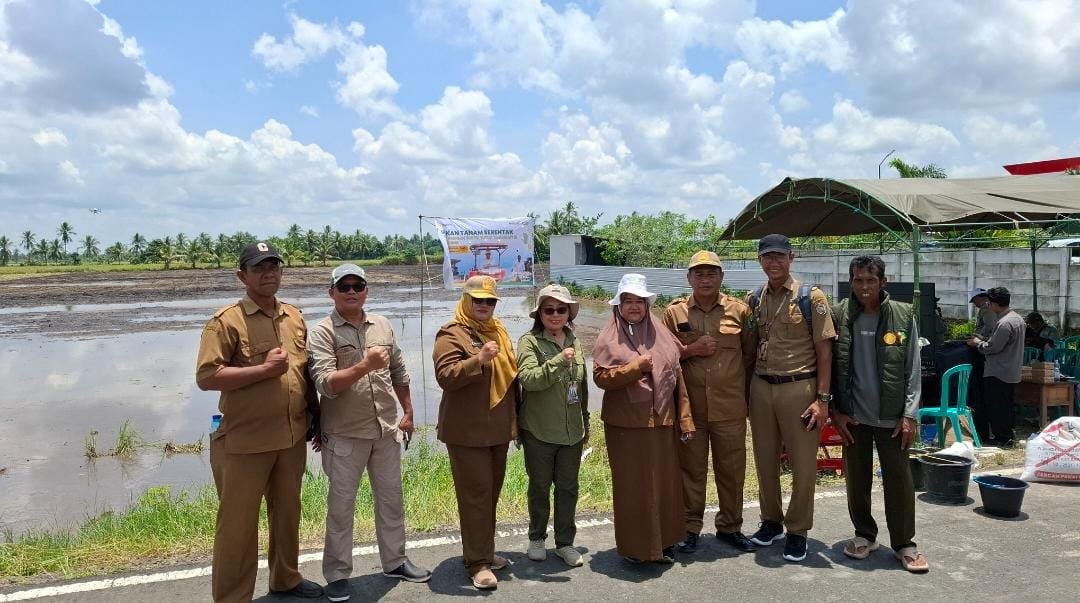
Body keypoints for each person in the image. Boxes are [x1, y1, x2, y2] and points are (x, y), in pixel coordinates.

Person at [195, 241, 322, 602]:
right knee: (237, 527)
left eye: (274, 266)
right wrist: (263, 370)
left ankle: (286, 578)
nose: (269, 273)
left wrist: (316, 415)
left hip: (291, 436)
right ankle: (233, 597)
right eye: (259, 268)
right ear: (242, 276)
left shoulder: (294, 316)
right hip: (243, 442)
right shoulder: (226, 321)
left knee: (287, 514)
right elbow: (207, 377)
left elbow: (303, 372)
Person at [307, 264, 432, 601]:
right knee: (341, 507)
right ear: (331, 292)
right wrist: (363, 364)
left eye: (357, 286)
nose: (351, 291)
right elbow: (326, 384)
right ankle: (336, 574)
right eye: (343, 286)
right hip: (345, 435)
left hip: (386, 430)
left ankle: (395, 561)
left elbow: (398, 371)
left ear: (366, 290)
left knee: (392, 501)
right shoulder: (322, 332)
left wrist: (407, 412)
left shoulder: (383, 324)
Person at [829, 256, 929, 573]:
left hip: (892, 418)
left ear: (883, 282)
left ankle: (905, 544)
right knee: (856, 482)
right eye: (858, 280)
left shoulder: (902, 315)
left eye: (871, 280)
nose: (864, 287)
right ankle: (864, 535)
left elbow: (913, 369)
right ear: (851, 282)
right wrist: (835, 411)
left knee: (899, 482)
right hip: (854, 417)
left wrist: (910, 415)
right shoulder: (840, 315)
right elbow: (829, 367)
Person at [593, 273, 695, 564]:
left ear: (648, 305)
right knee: (633, 488)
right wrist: (634, 368)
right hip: (626, 426)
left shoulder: (661, 332)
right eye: (628, 301)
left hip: (663, 422)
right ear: (619, 305)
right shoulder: (608, 335)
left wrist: (685, 419)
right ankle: (637, 549)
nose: (634, 306)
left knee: (666, 484)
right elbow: (600, 378)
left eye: (640, 301)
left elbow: (677, 378)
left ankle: (665, 542)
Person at [745, 234, 835, 563]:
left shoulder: (811, 297)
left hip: (800, 387)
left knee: (802, 464)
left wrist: (822, 399)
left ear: (791, 258)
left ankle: (797, 530)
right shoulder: (754, 298)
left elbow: (825, 350)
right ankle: (771, 522)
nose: (774, 262)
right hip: (761, 387)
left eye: (780, 256)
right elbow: (750, 347)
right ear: (760, 260)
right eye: (767, 256)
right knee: (765, 459)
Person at [662, 251, 756, 554]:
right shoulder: (673, 313)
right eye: (699, 274)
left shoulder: (740, 311)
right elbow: (663, 358)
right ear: (689, 278)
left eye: (711, 273)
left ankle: (730, 526)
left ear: (721, 277)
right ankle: (689, 528)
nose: (705, 279)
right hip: (691, 411)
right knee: (691, 470)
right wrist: (692, 350)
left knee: (731, 470)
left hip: (730, 408)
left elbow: (750, 355)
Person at [432, 275, 518, 590]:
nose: (484, 305)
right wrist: (478, 360)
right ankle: (477, 563)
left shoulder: (499, 331)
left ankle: (485, 552)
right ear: (467, 301)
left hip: (496, 431)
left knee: (490, 495)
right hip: (467, 433)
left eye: (490, 301)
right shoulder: (451, 334)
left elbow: (510, 383)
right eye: (478, 300)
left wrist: (515, 424)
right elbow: (446, 376)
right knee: (475, 497)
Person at [516, 283, 589, 567]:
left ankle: (565, 544)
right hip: (539, 430)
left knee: (568, 488)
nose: (555, 315)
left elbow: (581, 388)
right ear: (540, 314)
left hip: (572, 431)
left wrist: (585, 422)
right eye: (549, 310)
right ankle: (536, 538)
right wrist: (558, 361)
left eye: (561, 309)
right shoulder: (529, 342)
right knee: (539, 486)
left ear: (569, 313)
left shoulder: (575, 340)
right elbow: (529, 380)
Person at [967, 287, 1026, 447]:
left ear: (994, 304)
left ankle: (1003, 438)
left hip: (998, 370)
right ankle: (1007, 435)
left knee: (997, 406)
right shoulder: (1017, 319)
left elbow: (992, 347)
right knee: (1006, 405)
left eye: (990, 302)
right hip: (1011, 370)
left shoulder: (1004, 323)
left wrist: (977, 343)